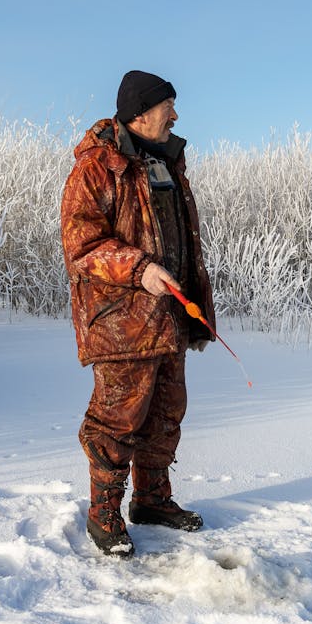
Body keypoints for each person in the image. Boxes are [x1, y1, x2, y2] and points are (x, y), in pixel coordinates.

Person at [61, 70, 216, 557]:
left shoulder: (167, 163)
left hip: (169, 314)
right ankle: (103, 513)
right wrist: (138, 268)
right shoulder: (95, 170)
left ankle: (152, 500)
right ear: (139, 113)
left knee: (167, 411)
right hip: (121, 318)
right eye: (167, 105)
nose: (175, 115)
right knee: (117, 418)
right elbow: (81, 247)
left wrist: (194, 300)